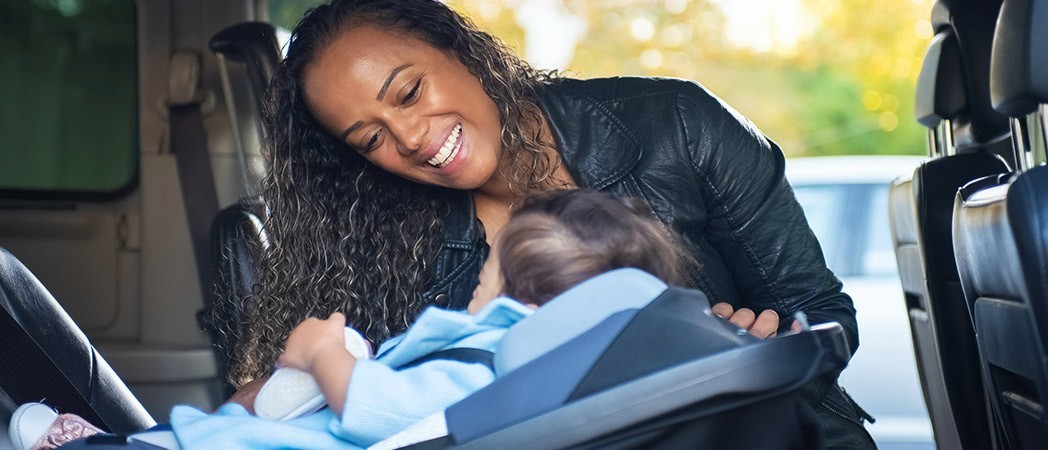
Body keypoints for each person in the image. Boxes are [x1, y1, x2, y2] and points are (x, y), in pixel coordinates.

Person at [218, 0, 874, 447]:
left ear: (460, 51)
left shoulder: (678, 124)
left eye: (410, 93)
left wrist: (756, 344)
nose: (411, 138)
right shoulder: (389, 238)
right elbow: (319, 386)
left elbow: (820, 313)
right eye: (370, 138)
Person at [10, 188, 691, 450]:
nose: (479, 282)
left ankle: (82, 448)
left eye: (490, 273)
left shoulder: (491, 365)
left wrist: (321, 354)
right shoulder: (538, 371)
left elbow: (384, 412)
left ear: (523, 295)